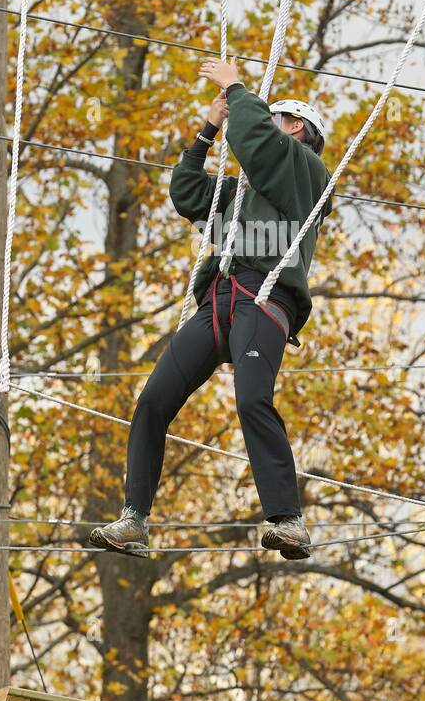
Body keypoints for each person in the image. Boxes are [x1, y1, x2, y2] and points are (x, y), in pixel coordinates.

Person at [89, 56, 331, 561]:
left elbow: (258, 146)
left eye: (274, 121)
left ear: (298, 130)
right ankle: (135, 518)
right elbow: (186, 191)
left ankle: (287, 520)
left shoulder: (305, 174)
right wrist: (207, 129)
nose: (263, 128)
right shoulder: (245, 192)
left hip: (266, 296)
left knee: (251, 401)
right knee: (153, 401)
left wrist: (236, 89)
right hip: (221, 298)